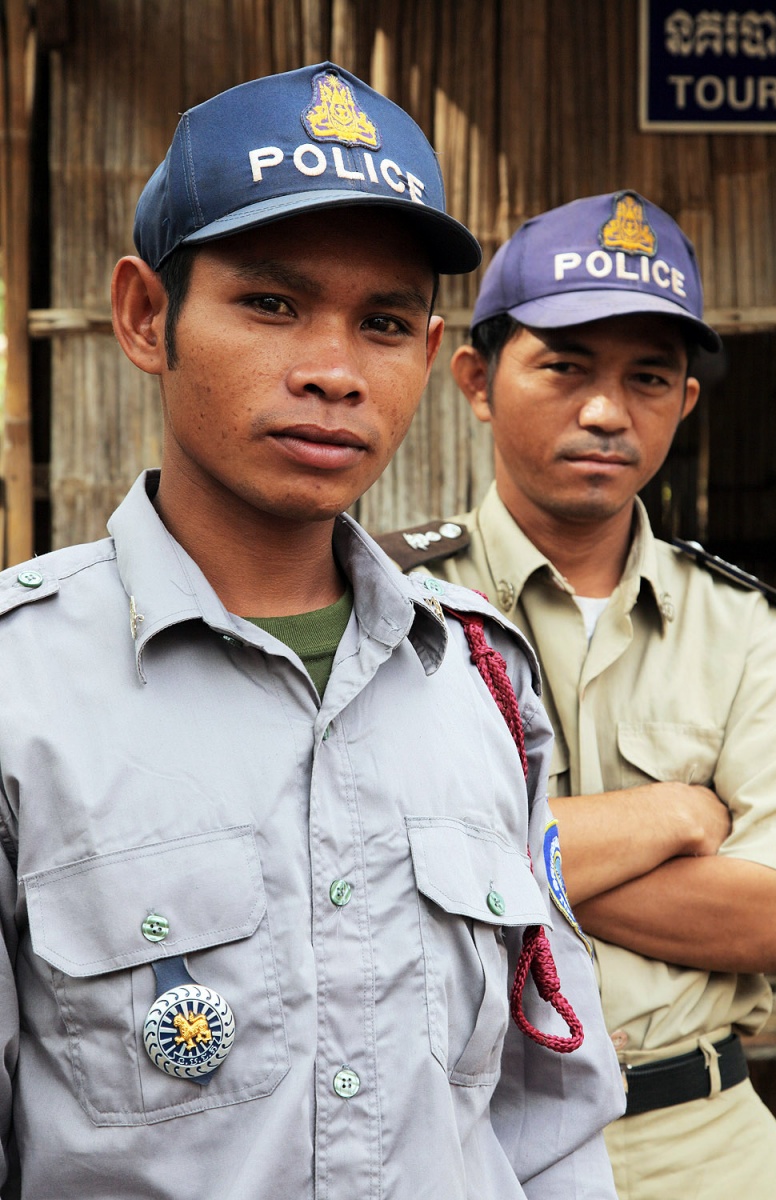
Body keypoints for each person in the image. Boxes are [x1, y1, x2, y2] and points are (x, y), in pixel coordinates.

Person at [0, 66, 625, 1199]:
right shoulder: (20, 689)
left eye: (382, 323)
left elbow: (547, 1119)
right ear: (148, 317)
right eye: (270, 305)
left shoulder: (480, 681)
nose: (335, 372)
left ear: (428, 359)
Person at [383, 191, 776, 1199]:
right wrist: (670, 816)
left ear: (682, 403)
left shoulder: (747, 631)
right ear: (476, 381)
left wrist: (473, 862)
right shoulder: (385, 608)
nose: (606, 410)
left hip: (703, 1143)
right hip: (449, 1143)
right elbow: (347, 866)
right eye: (564, 367)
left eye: (646, 378)